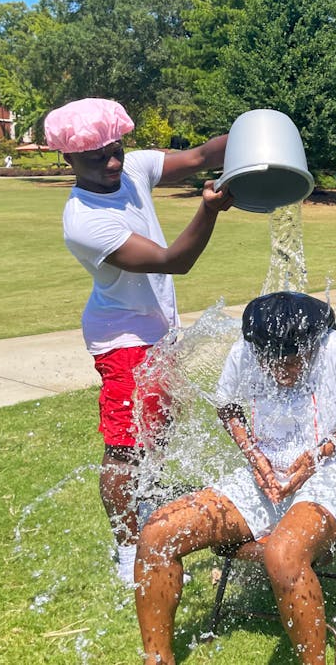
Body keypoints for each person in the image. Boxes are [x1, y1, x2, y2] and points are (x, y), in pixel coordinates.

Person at [135, 291, 336, 665]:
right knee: (158, 532)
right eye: (273, 363)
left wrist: (321, 454)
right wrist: (254, 457)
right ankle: (156, 660)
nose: (283, 371)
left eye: (294, 361)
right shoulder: (247, 350)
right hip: (263, 479)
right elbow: (228, 407)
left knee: (282, 553)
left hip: (333, 477)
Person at [45, 97, 232, 586]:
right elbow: (174, 260)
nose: (111, 163)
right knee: (126, 449)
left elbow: (198, 156)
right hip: (124, 340)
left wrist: (257, 135)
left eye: (116, 149)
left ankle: (145, 511)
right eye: (95, 157)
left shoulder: (130, 170)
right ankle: (129, 548)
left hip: (158, 334)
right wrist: (209, 210)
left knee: (156, 435)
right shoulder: (84, 219)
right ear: (68, 158)